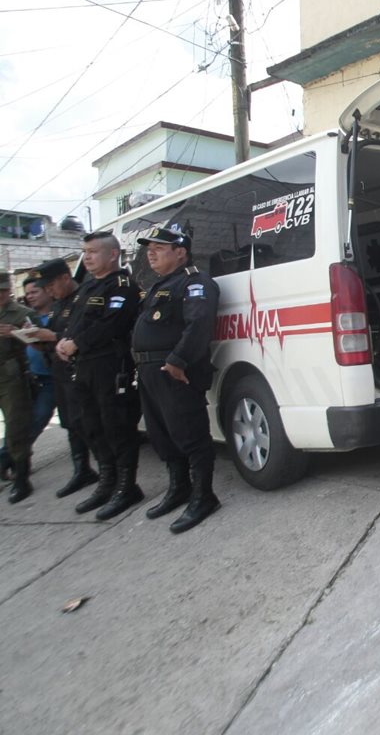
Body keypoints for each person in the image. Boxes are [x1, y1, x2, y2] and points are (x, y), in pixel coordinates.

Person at [132, 225, 222, 533]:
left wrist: (178, 360)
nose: (151, 252)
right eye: (149, 248)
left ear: (180, 252)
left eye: (159, 247)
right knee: (163, 435)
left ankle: (203, 496)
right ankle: (179, 488)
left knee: (191, 435)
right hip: (149, 373)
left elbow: (198, 324)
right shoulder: (159, 286)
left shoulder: (194, 282)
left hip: (175, 372)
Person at [55, 231, 143, 520]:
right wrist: (64, 341)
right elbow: (75, 323)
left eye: (92, 252)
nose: (87, 257)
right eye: (85, 252)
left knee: (116, 427)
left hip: (109, 367)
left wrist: (77, 343)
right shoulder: (87, 288)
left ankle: (127, 487)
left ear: (113, 254)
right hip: (83, 368)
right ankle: (108, 480)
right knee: (90, 425)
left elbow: (112, 324)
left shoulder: (122, 285)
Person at [31, 258, 98, 500]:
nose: (49, 291)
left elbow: (79, 335)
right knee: (70, 422)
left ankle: (109, 476)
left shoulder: (84, 298)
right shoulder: (59, 304)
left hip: (79, 371)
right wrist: (42, 343)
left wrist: (52, 335)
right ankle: (82, 469)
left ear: (65, 278)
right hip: (59, 370)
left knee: (88, 423)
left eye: (51, 286)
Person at [0, 277, 58, 483]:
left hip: (35, 377)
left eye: (35, 292)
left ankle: (16, 469)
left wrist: (17, 333)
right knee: (20, 423)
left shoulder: (25, 314)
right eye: (29, 293)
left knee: (25, 422)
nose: (31, 296)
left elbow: (44, 343)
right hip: (29, 374)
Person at [0, 271, 35, 502]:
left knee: (16, 428)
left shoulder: (22, 313)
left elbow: (37, 341)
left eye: (3, 290)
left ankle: (22, 478)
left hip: (12, 377)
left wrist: (16, 334)